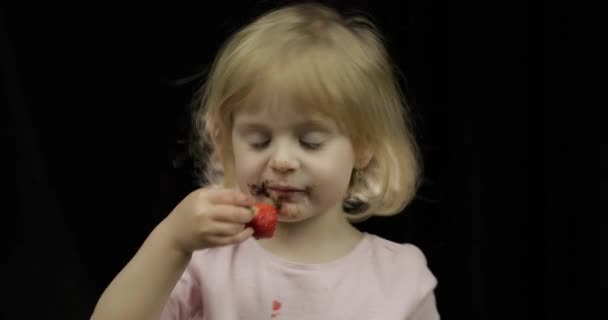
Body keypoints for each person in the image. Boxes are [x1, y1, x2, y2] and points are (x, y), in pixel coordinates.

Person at [91, 2, 440, 319]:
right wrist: (171, 241)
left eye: (310, 141)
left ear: (363, 146)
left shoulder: (399, 277)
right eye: (259, 141)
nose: (283, 160)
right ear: (226, 141)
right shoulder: (206, 263)